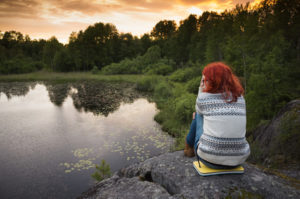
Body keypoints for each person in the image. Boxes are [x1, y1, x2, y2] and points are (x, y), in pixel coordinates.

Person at [184, 62, 250, 168]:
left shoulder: (204, 98)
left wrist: (201, 89)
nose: (203, 82)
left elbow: (199, 112)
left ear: (211, 81)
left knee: (197, 115)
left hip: (209, 159)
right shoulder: (240, 98)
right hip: (239, 159)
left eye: (204, 80)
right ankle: (190, 147)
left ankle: (189, 148)